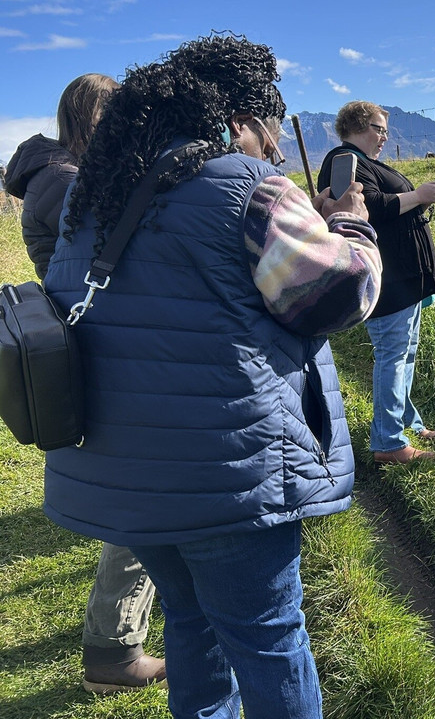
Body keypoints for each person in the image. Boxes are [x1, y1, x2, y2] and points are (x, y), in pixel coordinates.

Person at [42, 35, 382, 718]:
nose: (277, 152)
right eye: (269, 131)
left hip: (125, 473)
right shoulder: (249, 189)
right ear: (235, 124)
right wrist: (350, 227)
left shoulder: (94, 193)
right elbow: (338, 298)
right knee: (268, 636)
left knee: (191, 623)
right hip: (229, 473)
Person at [5, 73, 167, 694]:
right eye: (123, 116)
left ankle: (120, 639)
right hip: (105, 347)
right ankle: (113, 650)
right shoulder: (68, 182)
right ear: (99, 119)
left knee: (143, 493)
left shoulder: (56, 174)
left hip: (101, 340)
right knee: (146, 498)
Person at [317, 101, 435, 466]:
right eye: (379, 128)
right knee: (393, 355)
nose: (385, 137)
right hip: (388, 278)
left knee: (405, 353)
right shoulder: (344, 160)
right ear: (357, 126)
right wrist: (418, 196)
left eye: (386, 130)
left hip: (403, 277)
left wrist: (420, 199)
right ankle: (388, 443)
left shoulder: (361, 161)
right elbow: (365, 206)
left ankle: (407, 422)